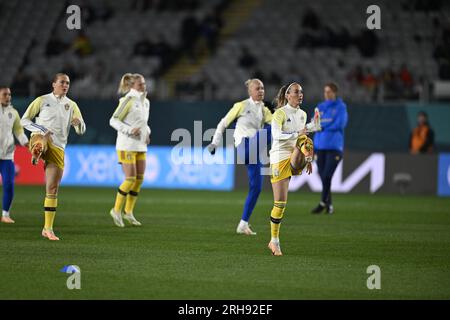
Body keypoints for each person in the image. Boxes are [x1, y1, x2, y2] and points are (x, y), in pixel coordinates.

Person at [21, 73, 86, 240]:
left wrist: (79, 124)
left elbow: (81, 130)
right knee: (42, 141)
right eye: (62, 82)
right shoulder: (42, 100)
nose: (65, 85)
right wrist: (42, 129)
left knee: (52, 189)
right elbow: (24, 120)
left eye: (68, 83)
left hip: (58, 147)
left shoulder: (72, 105)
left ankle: (47, 229)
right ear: (54, 84)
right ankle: (37, 151)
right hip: (40, 135)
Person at [207, 79, 272, 235]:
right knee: (274, 127)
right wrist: (215, 143)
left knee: (256, 188)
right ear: (250, 91)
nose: (261, 91)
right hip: (244, 146)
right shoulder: (241, 105)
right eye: (258, 88)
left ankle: (243, 224)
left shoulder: (264, 110)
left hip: (255, 150)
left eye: (263, 88)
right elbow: (223, 123)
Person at [268, 82, 320, 256]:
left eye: (302, 92)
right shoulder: (279, 114)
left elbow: (303, 132)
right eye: (297, 92)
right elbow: (276, 135)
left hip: (294, 155)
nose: (301, 94)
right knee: (280, 204)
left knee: (306, 140)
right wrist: (297, 135)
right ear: (288, 95)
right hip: (279, 157)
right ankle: (274, 241)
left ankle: (306, 157)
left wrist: (315, 125)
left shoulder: (303, 114)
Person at [109, 73, 150, 227]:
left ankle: (129, 212)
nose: (143, 86)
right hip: (126, 145)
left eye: (144, 83)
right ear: (132, 85)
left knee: (139, 179)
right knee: (130, 179)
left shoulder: (145, 102)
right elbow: (113, 120)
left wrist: (147, 133)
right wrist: (128, 130)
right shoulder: (128, 100)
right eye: (140, 84)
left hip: (140, 145)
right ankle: (116, 210)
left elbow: (143, 123)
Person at [311, 83, 348, 215]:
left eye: (329, 91)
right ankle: (329, 205)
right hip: (320, 146)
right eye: (325, 91)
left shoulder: (341, 107)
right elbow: (314, 124)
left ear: (335, 93)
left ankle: (323, 203)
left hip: (334, 146)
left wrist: (323, 126)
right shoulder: (320, 107)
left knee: (327, 175)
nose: (327, 94)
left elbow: (341, 123)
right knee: (323, 176)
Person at [0, 86, 29, 223]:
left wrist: (26, 143)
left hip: (7, 157)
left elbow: (19, 131)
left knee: (9, 185)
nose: (8, 97)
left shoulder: (14, 113)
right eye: (5, 94)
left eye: (9, 94)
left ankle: (5, 214)